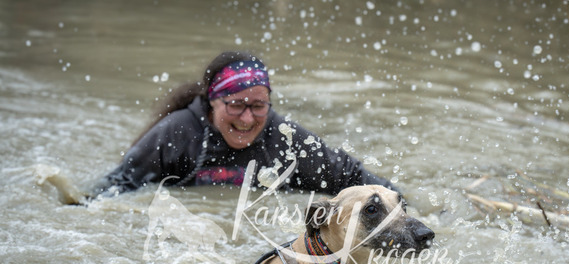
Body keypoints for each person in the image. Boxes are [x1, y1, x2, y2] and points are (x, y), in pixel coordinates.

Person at [93, 51, 397, 197]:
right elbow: (117, 186)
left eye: (258, 106)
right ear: (212, 101)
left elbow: (354, 178)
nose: (247, 118)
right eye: (236, 105)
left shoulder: (286, 139)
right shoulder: (178, 132)